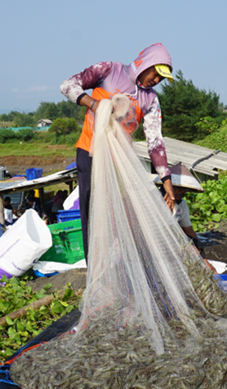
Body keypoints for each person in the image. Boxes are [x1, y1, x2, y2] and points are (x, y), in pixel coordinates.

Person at [60, 43, 176, 260]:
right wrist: (94, 104)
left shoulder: (151, 100)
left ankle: (122, 260)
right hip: (90, 152)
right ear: (146, 64)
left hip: (120, 161)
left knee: (118, 210)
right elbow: (68, 85)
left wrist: (166, 180)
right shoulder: (109, 70)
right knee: (91, 207)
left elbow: (155, 142)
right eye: (156, 74)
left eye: (162, 78)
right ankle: (93, 264)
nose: (157, 81)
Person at [154, 163, 216, 273]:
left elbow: (189, 232)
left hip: (169, 243)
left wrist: (206, 262)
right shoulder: (154, 201)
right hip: (152, 243)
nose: (183, 192)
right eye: (180, 188)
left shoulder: (181, 205)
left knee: (191, 245)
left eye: (185, 189)